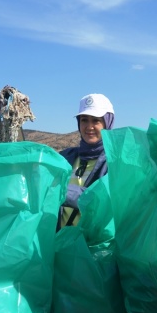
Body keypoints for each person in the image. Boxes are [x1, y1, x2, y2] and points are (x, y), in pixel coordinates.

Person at [57, 94, 115, 230]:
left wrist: (60, 190)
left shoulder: (114, 163)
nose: (89, 127)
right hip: (59, 239)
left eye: (96, 120)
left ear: (107, 123)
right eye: (84, 120)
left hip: (93, 241)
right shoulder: (65, 157)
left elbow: (103, 200)